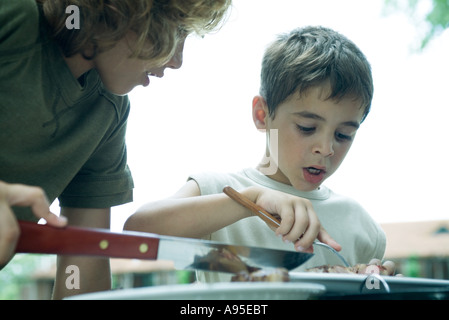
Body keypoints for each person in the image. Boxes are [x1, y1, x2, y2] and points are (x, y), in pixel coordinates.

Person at [0, 0, 231, 298]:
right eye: (175, 29)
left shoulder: (107, 112)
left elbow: (80, 269)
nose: (177, 60)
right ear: (122, 9)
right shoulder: (15, 17)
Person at [124, 26, 388, 282]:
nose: (327, 148)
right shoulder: (219, 190)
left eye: (343, 135)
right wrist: (249, 202)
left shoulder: (362, 226)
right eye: (307, 128)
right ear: (262, 115)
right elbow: (135, 235)